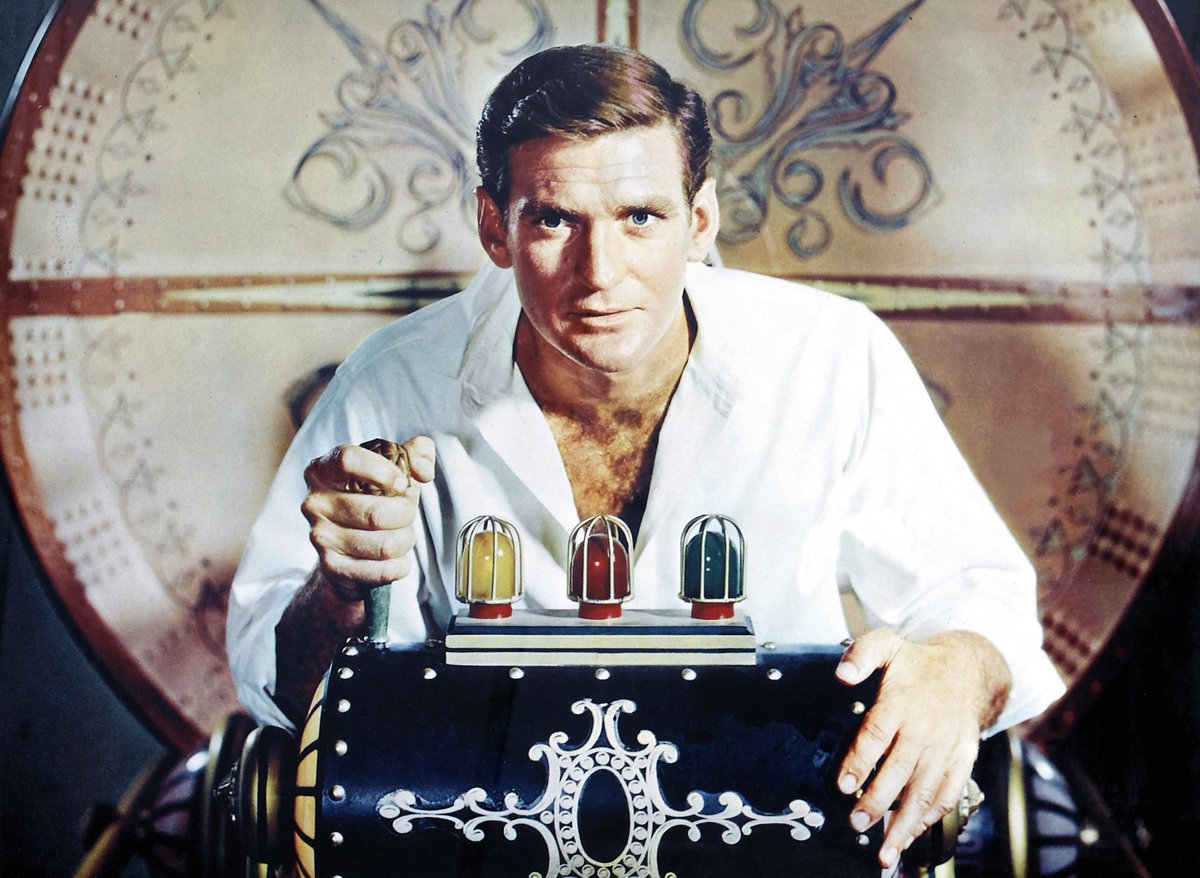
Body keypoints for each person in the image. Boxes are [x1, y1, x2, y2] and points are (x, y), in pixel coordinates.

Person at [227, 43, 1064, 869]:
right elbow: (285, 696)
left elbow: (980, 597)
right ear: (493, 227)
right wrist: (340, 592)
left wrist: (956, 670)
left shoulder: (831, 357)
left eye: (641, 218)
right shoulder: (394, 380)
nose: (600, 273)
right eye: (554, 220)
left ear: (699, 222)